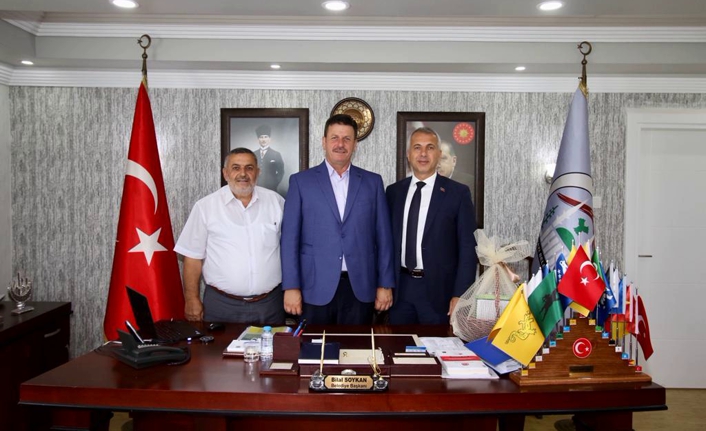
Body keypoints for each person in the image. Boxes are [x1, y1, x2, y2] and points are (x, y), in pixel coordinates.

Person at [280, 114, 395, 325]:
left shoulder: (373, 182)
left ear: (355, 144)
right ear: (324, 141)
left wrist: (385, 284)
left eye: (346, 139)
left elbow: (384, 238)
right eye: (334, 138)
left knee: (357, 345)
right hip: (314, 288)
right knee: (315, 345)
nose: (340, 144)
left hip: (360, 287)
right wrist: (291, 286)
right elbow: (289, 240)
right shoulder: (301, 182)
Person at [174, 148, 285, 325]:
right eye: (236, 168)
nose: (243, 174)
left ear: (258, 172)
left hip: (270, 305)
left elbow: (291, 249)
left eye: (249, 168)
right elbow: (192, 258)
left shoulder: (276, 202)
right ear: (225, 173)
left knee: (273, 345)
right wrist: (191, 299)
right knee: (219, 345)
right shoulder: (205, 207)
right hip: (221, 305)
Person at [386, 127, 478, 324]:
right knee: (398, 342)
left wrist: (460, 294)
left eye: (430, 147)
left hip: (440, 293)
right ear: (408, 154)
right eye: (417, 147)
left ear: (438, 154)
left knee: (437, 343)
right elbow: (384, 243)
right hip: (400, 291)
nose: (423, 154)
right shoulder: (393, 192)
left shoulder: (458, 193)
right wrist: (383, 285)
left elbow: (468, 248)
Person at [254, 125, 285, 192]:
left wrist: (274, 183)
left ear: (269, 139)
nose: (263, 140)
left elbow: (281, 171)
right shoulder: (253, 154)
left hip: (271, 188)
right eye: (261, 137)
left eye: (266, 137)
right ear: (258, 140)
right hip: (255, 188)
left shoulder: (276, 154)